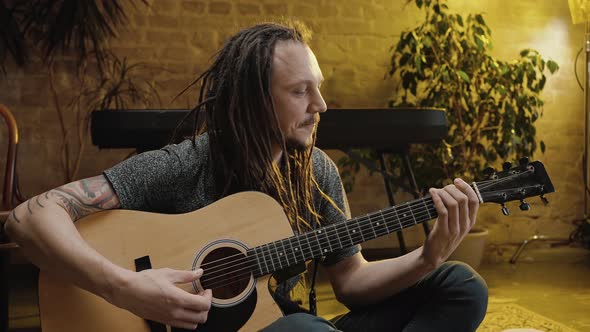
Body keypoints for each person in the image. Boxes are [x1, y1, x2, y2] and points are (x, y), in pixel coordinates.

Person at [3, 21, 487, 331]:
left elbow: (352, 280)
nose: (320, 107)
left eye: (319, 89)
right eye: (300, 92)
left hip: (281, 324)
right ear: (253, 101)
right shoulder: (184, 164)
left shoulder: (317, 171)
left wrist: (427, 256)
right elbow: (27, 218)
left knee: (460, 286)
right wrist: (124, 288)